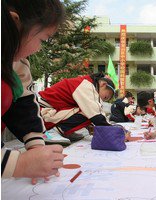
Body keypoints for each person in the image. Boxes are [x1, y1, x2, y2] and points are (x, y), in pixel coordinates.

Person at [1, 0, 65, 181]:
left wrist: (36, 148)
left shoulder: (16, 61)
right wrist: (19, 164)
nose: (38, 49)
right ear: (14, 22)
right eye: (42, 40)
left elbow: (24, 103)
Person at [38, 72, 116, 145]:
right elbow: (95, 114)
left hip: (47, 112)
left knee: (88, 110)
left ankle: (64, 131)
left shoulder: (85, 83)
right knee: (89, 111)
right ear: (103, 84)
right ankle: (52, 132)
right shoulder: (86, 85)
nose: (102, 100)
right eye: (105, 97)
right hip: (43, 113)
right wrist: (115, 132)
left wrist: (89, 126)